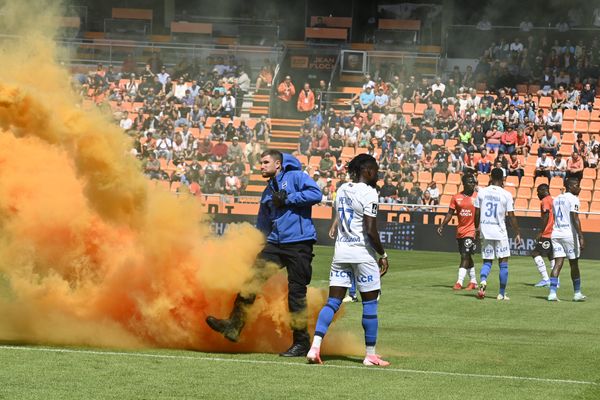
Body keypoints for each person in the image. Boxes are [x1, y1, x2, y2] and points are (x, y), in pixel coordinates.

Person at [206, 150, 322, 356]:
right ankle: (234, 325)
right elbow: (263, 223)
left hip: (299, 243)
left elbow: (316, 194)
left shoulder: (296, 176)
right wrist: (257, 242)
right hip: (275, 244)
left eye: (265, 162)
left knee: (296, 295)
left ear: (278, 164)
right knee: (251, 280)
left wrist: (288, 199)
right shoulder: (267, 191)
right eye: (261, 162)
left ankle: (302, 343)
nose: (261, 166)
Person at [306, 154, 390, 366]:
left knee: (333, 302)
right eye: (376, 170)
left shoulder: (342, 189)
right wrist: (383, 254)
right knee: (370, 304)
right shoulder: (370, 193)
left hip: (341, 252)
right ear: (368, 171)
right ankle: (370, 355)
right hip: (362, 254)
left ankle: (315, 347)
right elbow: (371, 230)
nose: (377, 174)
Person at [474, 168, 522, 300]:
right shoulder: (506, 194)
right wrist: (517, 232)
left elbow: (477, 213)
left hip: (485, 230)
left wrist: (476, 228)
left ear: (490, 177)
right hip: (500, 232)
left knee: (487, 261)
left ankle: (483, 281)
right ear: (502, 179)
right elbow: (511, 216)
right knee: (503, 262)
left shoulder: (482, 193)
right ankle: (501, 293)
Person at [437, 174, 479, 291]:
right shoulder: (456, 197)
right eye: (470, 182)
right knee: (466, 255)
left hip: (471, 231)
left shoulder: (477, 197)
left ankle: (459, 282)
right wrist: (442, 225)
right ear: (464, 184)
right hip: (460, 231)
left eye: (473, 182)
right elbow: (450, 213)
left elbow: (479, 214)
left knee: (465, 255)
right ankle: (474, 281)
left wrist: (478, 228)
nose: (472, 184)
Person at [548, 178, 586, 302]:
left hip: (556, 234)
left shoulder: (557, 199)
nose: (579, 188)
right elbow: (574, 218)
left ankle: (552, 293)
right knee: (573, 263)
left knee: (558, 263)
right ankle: (577, 293)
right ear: (570, 186)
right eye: (577, 185)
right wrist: (580, 235)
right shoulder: (573, 199)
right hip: (569, 234)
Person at [530, 184, 554, 288]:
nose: (537, 194)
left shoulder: (545, 201)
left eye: (538, 191)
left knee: (535, 252)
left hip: (547, 233)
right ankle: (555, 281)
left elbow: (546, 215)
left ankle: (545, 279)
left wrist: (541, 232)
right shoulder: (553, 200)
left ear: (544, 190)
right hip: (554, 232)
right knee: (551, 255)